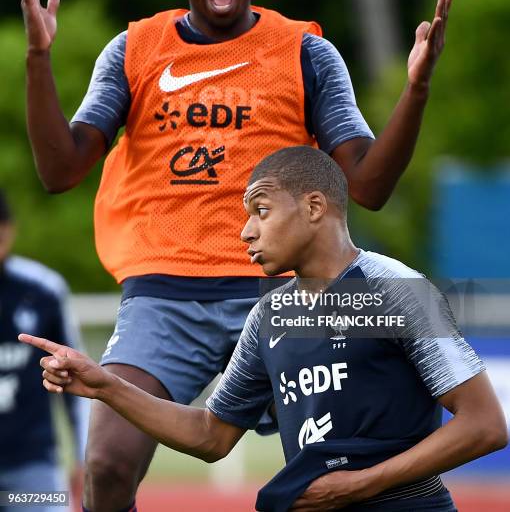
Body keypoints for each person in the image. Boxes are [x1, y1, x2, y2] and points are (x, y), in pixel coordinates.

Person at [21, 0, 454, 509]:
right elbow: (59, 169)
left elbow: (369, 186)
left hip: (279, 293)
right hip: (164, 294)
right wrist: (39, 59)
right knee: (107, 462)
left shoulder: (305, 54)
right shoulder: (133, 50)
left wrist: (417, 89)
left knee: (346, 462)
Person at [20, 146, 508, 511]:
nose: (245, 231)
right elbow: (211, 434)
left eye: (261, 210)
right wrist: (106, 386)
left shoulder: (395, 289)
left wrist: (359, 485)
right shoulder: (268, 317)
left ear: (314, 207)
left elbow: (485, 425)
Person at [0, 189, 89, 512]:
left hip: (33, 466)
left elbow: (75, 379)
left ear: (9, 229)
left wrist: (84, 454)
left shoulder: (43, 289)